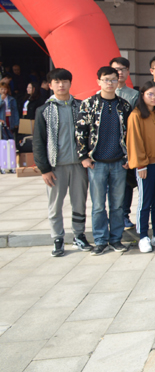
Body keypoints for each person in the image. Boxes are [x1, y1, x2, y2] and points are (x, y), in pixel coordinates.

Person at [33, 68, 92, 256]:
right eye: (57, 82)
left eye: (64, 81)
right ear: (50, 85)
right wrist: (44, 169)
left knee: (79, 203)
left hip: (78, 165)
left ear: (70, 83)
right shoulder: (44, 110)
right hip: (55, 167)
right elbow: (38, 142)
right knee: (55, 205)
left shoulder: (81, 107)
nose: (61, 85)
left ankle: (79, 235)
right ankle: (57, 238)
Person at [76, 66, 133, 255]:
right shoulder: (89, 104)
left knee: (117, 205)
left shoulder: (124, 106)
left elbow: (130, 135)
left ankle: (116, 239)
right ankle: (100, 240)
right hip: (96, 162)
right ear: (98, 82)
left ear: (118, 81)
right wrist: (84, 156)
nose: (110, 83)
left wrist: (129, 157)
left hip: (119, 162)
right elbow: (80, 131)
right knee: (99, 205)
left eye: (113, 79)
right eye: (106, 80)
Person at [127, 81, 155, 253]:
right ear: (142, 95)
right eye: (150, 94)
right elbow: (134, 141)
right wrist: (141, 164)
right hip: (146, 165)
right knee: (145, 201)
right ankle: (143, 235)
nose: (154, 98)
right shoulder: (136, 115)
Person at [111, 57, 138, 229]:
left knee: (127, 184)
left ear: (128, 71)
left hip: (126, 147)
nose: (119, 73)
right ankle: (112, 217)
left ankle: (125, 215)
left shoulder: (134, 95)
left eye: (122, 69)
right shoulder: (101, 95)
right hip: (108, 148)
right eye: (116, 69)